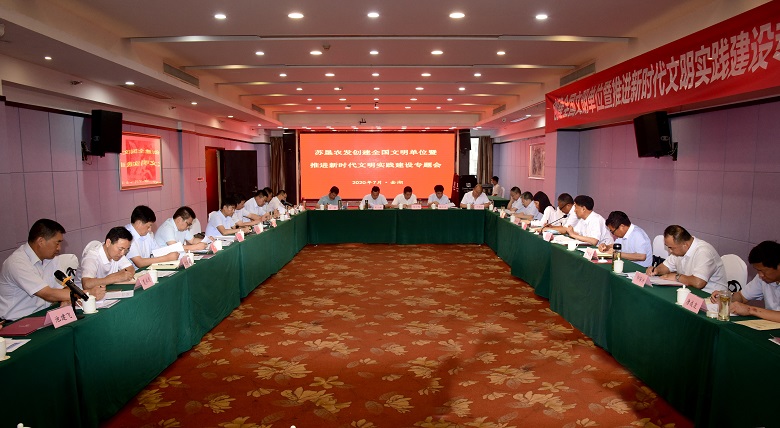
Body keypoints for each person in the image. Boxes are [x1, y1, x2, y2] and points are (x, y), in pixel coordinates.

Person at [0, 219, 106, 321]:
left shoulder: (50, 258)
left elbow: (65, 286)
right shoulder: (17, 263)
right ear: (41, 241)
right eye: (57, 243)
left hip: (44, 314)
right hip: (16, 321)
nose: (59, 248)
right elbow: (48, 294)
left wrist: (65, 299)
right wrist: (86, 293)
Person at [710, 241, 780, 322]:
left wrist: (750, 310)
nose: (760, 275)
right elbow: (742, 296)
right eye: (757, 270)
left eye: (763, 271)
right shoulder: (762, 278)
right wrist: (726, 297)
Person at [646, 225, 727, 293]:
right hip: (689, 291)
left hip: (712, 297)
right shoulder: (678, 251)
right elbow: (666, 266)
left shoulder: (703, 252)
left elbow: (698, 283)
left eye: (671, 248)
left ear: (685, 245)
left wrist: (676, 277)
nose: (670, 251)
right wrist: (656, 270)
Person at [79, 226, 136, 291]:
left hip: (105, 291)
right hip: (84, 295)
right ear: (108, 243)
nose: (123, 253)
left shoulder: (118, 253)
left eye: (126, 250)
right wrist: (114, 278)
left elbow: (130, 269)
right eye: (120, 249)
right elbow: (86, 284)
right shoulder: (91, 257)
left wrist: (116, 276)